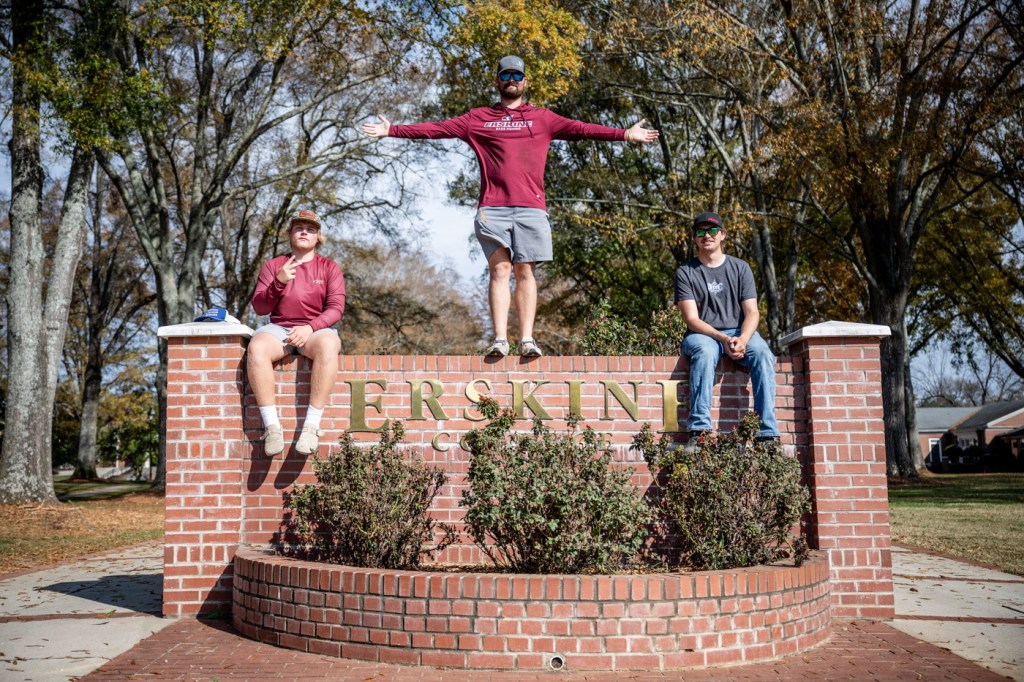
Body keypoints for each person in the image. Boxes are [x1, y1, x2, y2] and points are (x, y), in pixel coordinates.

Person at [362, 55, 659, 358]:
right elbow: (438, 129)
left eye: (517, 76)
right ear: (498, 81)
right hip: (493, 208)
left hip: (532, 208)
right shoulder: (478, 118)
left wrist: (625, 134)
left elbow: (582, 129)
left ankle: (527, 340)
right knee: (501, 269)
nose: (512, 80)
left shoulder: (543, 118)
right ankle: (500, 339)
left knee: (525, 271)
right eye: (506, 75)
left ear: (525, 81)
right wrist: (393, 130)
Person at [674, 211, 779, 442]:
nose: (707, 235)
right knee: (705, 351)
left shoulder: (740, 268)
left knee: (763, 353)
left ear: (722, 235)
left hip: (739, 331)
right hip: (702, 334)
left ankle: (767, 433)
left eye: (712, 230)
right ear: (694, 238)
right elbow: (691, 319)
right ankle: (699, 430)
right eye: (701, 231)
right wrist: (722, 339)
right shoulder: (685, 272)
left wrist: (743, 339)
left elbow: (752, 312)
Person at [248, 210, 345, 456]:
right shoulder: (274, 266)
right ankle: (272, 427)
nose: (304, 232)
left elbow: (336, 308)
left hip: (314, 330)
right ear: (290, 233)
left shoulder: (329, 267)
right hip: (278, 329)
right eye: (299, 227)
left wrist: (310, 327)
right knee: (257, 347)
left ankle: (311, 426)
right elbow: (260, 308)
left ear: (318, 237)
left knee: (329, 344)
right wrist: (278, 282)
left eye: (310, 229)